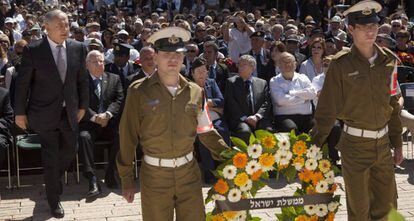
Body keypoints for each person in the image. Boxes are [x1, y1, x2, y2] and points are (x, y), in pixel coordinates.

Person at [116, 27, 229, 220]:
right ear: (156, 57)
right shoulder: (138, 91)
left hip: (189, 175)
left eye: (178, 54)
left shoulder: (195, 91)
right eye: (167, 54)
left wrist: (231, 158)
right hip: (155, 176)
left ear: (184, 58)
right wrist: (126, 178)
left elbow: (205, 131)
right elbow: (128, 135)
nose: (173, 59)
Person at [311, 1, 403, 220]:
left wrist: (397, 143)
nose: (371, 30)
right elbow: (326, 109)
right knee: (359, 211)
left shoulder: (388, 60)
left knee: (388, 209)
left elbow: (393, 105)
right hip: (354, 146)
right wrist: (312, 147)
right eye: (364, 26)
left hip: (382, 146)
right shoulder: (340, 64)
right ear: (351, 29)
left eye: (374, 24)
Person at [14, 9, 89, 218]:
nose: (65, 29)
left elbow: (82, 80)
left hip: (70, 112)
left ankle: (53, 182)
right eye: (59, 25)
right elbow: (22, 84)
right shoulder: (33, 50)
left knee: (70, 150)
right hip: (43, 113)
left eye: (67, 24)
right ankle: (54, 200)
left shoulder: (78, 48)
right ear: (46, 27)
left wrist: (83, 106)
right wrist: (19, 113)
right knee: (50, 156)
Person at [78, 50, 124, 199]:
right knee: (84, 137)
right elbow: (77, 102)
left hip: (109, 122)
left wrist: (107, 114)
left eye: (101, 61)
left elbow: (119, 99)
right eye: (95, 61)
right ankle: (92, 179)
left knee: (121, 134)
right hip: (89, 123)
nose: (99, 64)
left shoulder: (114, 78)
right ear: (86, 65)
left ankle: (111, 173)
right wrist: (94, 117)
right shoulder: (80, 81)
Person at [190, 57, 230, 184]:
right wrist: (213, 106)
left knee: (222, 131)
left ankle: (225, 170)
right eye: (198, 71)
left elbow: (221, 100)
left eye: (204, 71)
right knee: (204, 137)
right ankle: (209, 174)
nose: (202, 74)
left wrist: (207, 102)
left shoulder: (211, 83)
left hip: (215, 119)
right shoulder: (189, 87)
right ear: (193, 73)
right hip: (197, 122)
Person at [224, 54, 273, 143]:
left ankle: (266, 156)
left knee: (267, 131)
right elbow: (231, 103)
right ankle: (245, 156)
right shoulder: (231, 82)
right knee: (245, 131)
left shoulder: (262, 83)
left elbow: (266, 102)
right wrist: (245, 118)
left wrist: (256, 117)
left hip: (258, 118)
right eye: (239, 64)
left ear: (252, 68)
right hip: (240, 119)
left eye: (244, 65)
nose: (240, 67)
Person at [270, 52, 316, 134]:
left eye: (290, 62)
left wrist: (292, 93)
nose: (288, 64)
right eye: (284, 62)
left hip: (307, 117)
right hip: (284, 118)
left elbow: (312, 94)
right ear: (278, 65)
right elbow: (280, 101)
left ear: (295, 64)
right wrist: (303, 99)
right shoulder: (274, 81)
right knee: (291, 129)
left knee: (318, 127)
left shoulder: (303, 78)